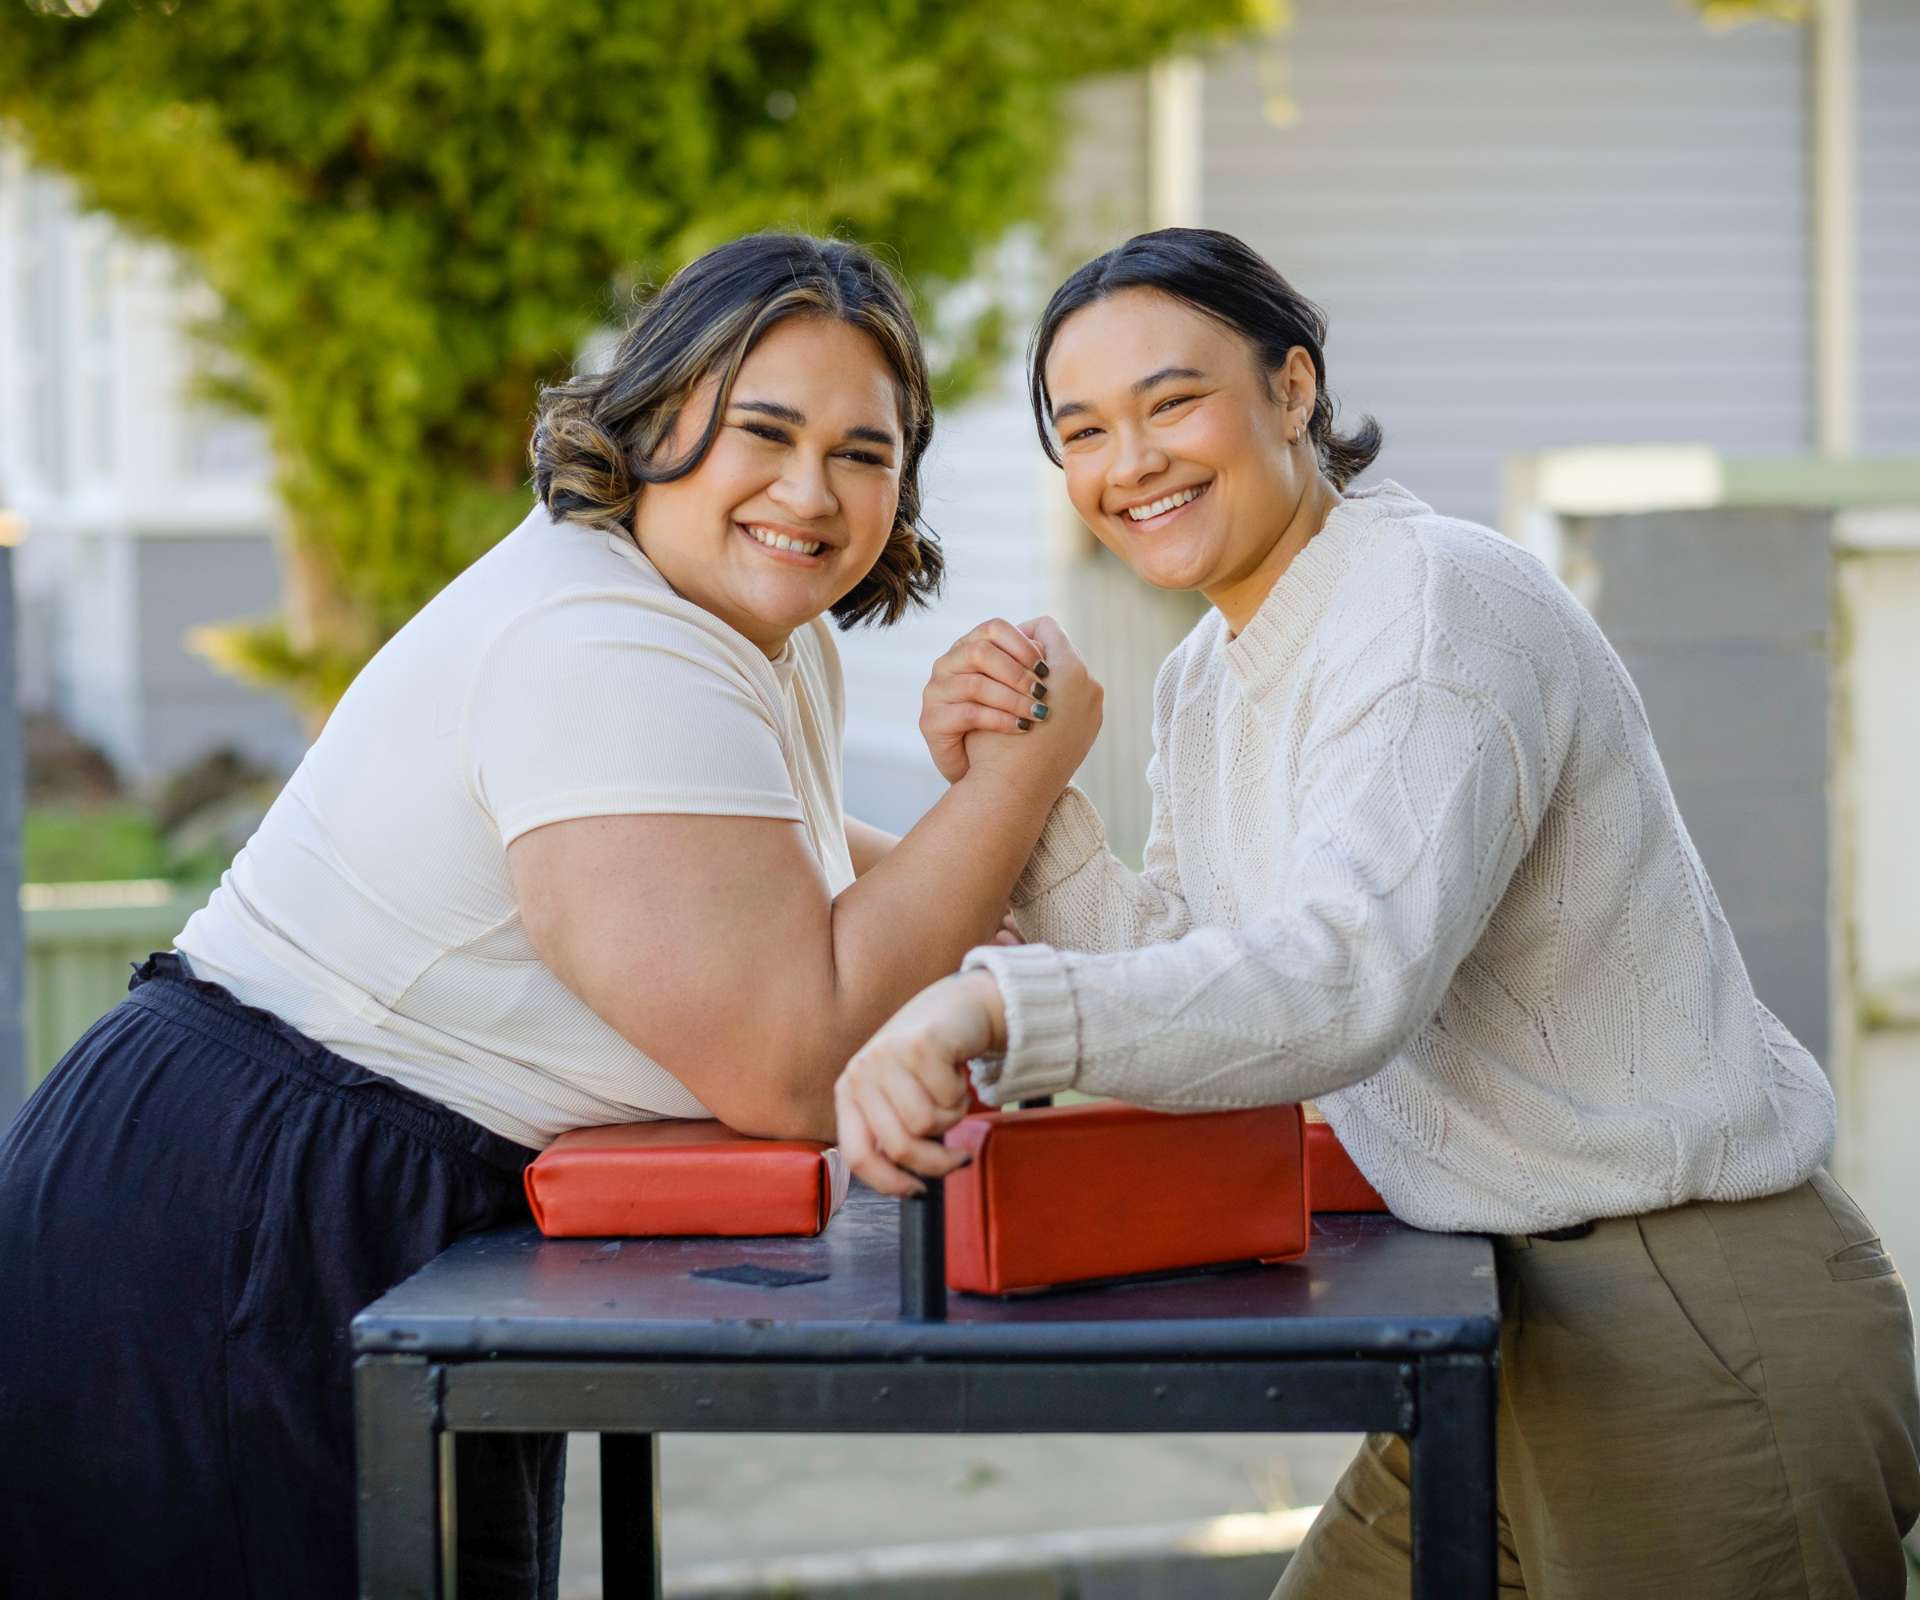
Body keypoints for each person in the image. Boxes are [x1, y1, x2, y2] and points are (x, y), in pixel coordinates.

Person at [0, 232, 1100, 1600]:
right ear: (651, 426)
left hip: (383, 1195)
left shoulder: (750, 629)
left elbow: (831, 892)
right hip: (241, 1219)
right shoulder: (602, 642)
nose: (810, 493)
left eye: (865, 453)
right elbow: (796, 1060)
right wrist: (1024, 773)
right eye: (761, 431)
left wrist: (1117, 956)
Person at [836, 227, 1920, 1599]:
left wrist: (994, 1003)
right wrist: (1027, 791)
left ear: (1294, 391)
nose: (1132, 462)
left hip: (1689, 1317)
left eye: (1173, 403)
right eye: (1085, 431)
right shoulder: (1209, 677)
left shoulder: (1433, 614)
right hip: (1498, 1309)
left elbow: (1342, 985)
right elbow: (1207, 987)